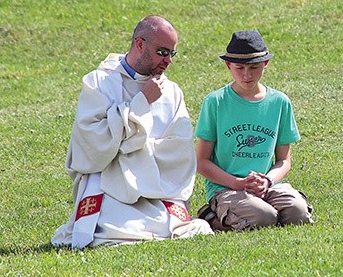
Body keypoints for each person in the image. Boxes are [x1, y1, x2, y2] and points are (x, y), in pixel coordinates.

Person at [52, 15, 212, 249]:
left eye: (172, 53)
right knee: (113, 229)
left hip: (156, 187)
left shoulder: (172, 92)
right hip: (109, 182)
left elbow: (180, 148)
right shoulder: (99, 82)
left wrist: (130, 148)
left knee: (170, 227)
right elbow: (91, 140)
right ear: (139, 44)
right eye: (162, 52)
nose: (168, 60)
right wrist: (142, 102)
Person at [195, 30, 313, 231]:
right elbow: (201, 162)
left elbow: (284, 160)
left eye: (254, 67)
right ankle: (211, 216)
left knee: (297, 213)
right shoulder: (215, 102)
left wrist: (267, 180)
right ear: (228, 66)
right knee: (263, 217)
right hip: (227, 188)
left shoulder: (279, 102)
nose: (246, 75)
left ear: (265, 64)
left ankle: (253, 210)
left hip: (268, 186)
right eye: (239, 68)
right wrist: (237, 183)